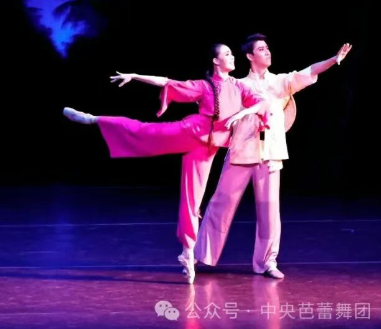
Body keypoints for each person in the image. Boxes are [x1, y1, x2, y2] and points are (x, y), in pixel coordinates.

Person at [63, 43, 270, 283]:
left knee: (193, 200)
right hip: (189, 132)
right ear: (215, 61)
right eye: (227, 54)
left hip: (206, 148)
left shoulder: (239, 87)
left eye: (232, 53)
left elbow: (262, 103)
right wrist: (136, 76)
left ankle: (187, 253)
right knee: (144, 131)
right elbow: (167, 82)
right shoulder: (204, 86)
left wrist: (244, 112)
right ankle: (94, 119)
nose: (232, 57)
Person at [195, 34, 352, 278]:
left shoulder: (280, 82)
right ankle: (200, 256)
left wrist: (333, 59)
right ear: (250, 56)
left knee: (269, 211)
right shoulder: (238, 85)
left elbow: (308, 71)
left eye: (267, 48)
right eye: (261, 49)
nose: (267, 52)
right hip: (241, 151)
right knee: (220, 204)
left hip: (270, 154)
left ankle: (267, 262)